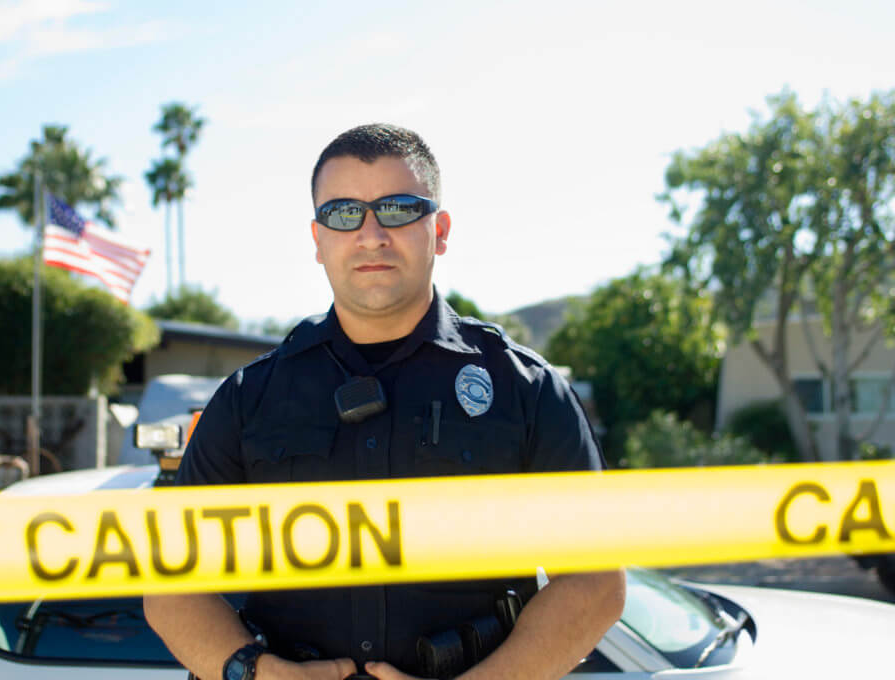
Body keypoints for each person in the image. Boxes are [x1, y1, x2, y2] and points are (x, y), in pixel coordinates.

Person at [144, 123, 625, 680]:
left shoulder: (525, 389)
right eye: (344, 214)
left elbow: (595, 582)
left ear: (439, 231)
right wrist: (255, 672)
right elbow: (170, 585)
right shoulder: (249, 399)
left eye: (397, 209)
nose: (370, 234)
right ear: (318, 239)